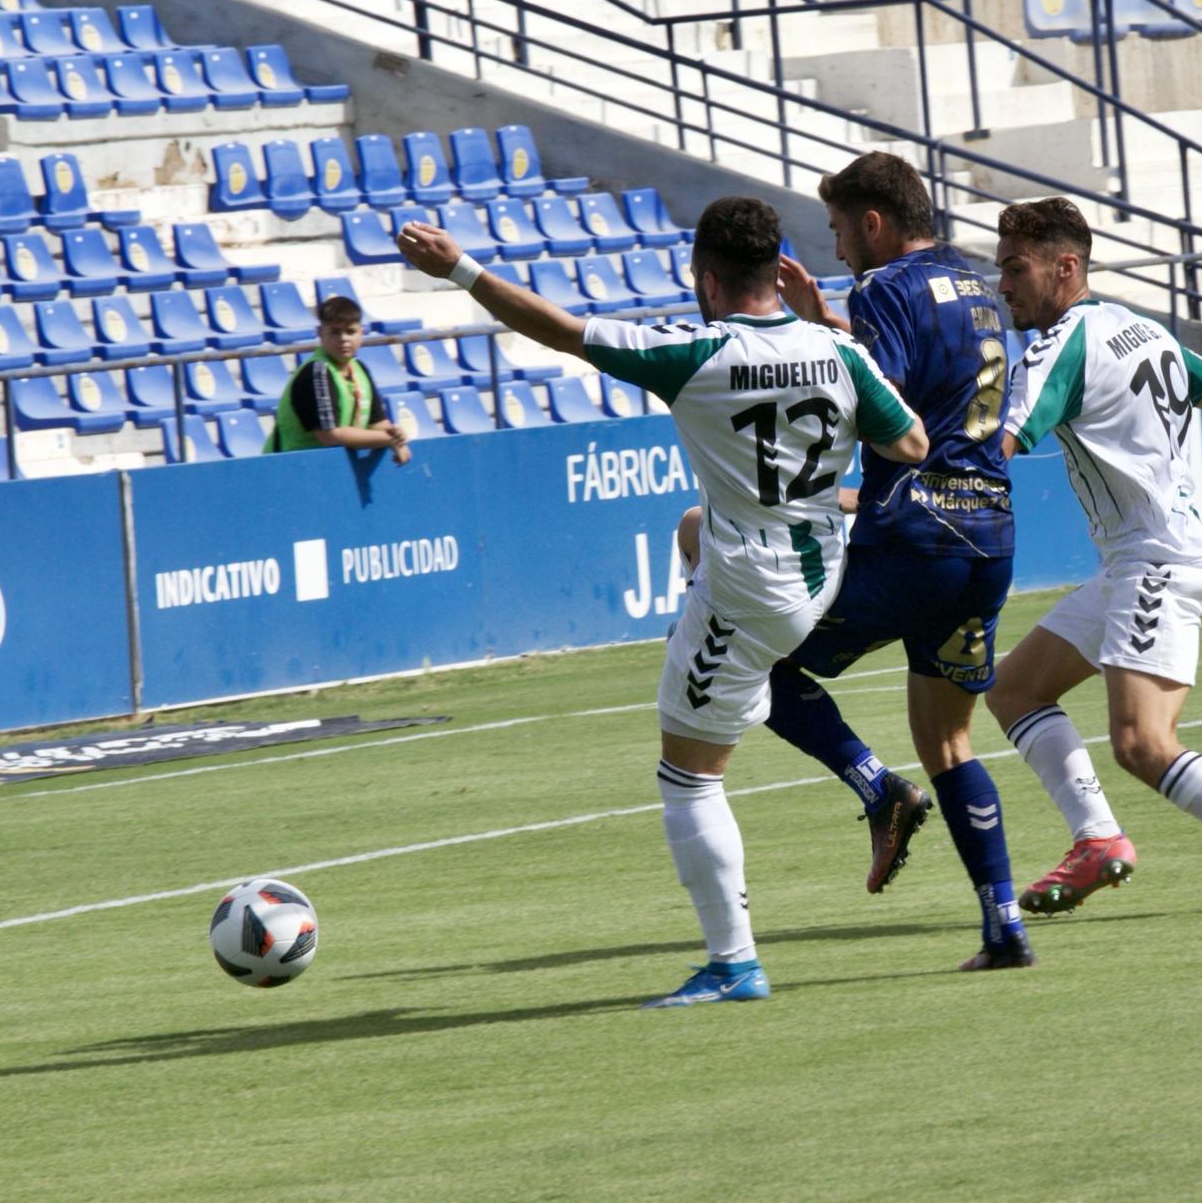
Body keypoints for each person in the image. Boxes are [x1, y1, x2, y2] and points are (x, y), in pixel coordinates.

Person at [396, 199, 928, 1007]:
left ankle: (734, 961)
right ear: (776, 271)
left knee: (687, 773)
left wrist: (460, 268)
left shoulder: (697, 354)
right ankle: (848, 768)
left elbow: (562, 330)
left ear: (709, 281)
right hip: (818, 568)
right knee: (692, 527)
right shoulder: (837, 351)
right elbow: (912, 443)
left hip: (753, 589)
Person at [985, 197, 1202, 915]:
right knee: (1014, 688)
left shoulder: (1059, 348)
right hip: (1145, 560)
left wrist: (883, 491)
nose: (1003, 284)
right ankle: (1096, 840)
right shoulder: (1139, 326)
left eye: (1015, 268)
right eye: (1000, 269)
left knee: (1142, 742)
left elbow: (995, 449)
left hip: (1156, 562)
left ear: (1066, 265)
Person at [751, 150, 1034, 972]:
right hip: (990, 539)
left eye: (840, 230)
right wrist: (834, 327)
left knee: (753, 664)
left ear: (873, 223)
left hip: (913, 539)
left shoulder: (881, 289)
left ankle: (879, 788)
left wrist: (812, 341)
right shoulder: (980, 285)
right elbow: (931, 389)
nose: (839, 251)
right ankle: (1004, 926)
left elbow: (890, 413)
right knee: (949, 739)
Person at [263, 295, 412, 463]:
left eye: (350, 331)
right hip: (289, 468)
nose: (343, 339)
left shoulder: (359, 369)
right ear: (320, 333)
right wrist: (387, 438)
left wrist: (396, 436)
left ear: (361, 333)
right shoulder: (317, 372)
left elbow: (378, 423)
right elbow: (330, 435)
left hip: (327, 470)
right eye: (335, 332)